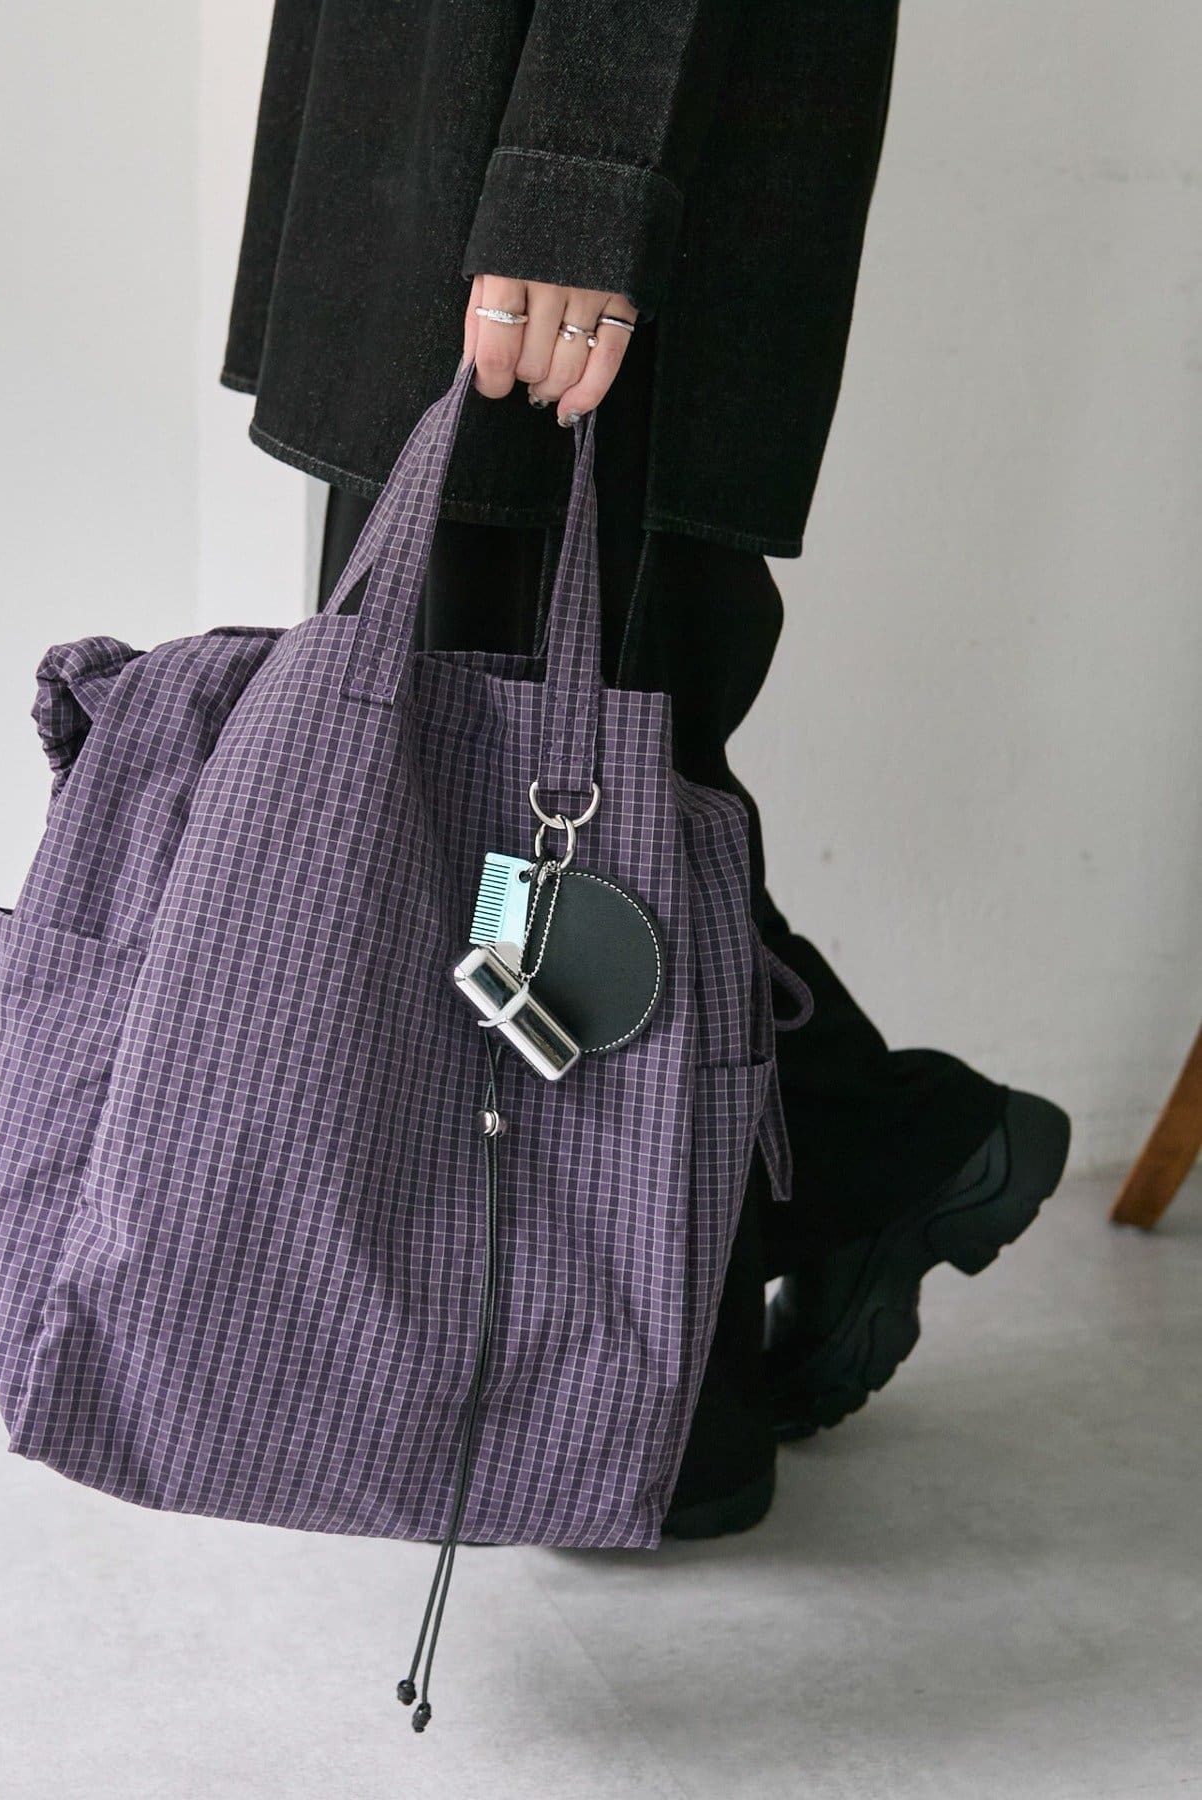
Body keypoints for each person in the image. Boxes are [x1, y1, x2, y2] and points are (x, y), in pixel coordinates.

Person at [221, 0, 1070, 1536]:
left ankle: (705, 1371)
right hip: (450, 136)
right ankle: (857, 1180)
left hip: (566, 156)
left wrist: (581, 179)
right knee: (495, 796)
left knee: (542, 795)